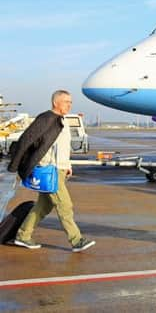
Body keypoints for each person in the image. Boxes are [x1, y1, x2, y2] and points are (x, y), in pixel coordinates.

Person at [8, 90, 96, 252]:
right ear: (56, 103)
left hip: (60, 170)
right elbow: (26, 139)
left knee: (43, 207)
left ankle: (23, 236)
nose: (69, 105)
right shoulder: (46, 118)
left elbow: (63, 148)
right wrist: (17, 165)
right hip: (48, 171)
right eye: (66, 102)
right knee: (65, 205)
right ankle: (76, 240)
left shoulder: (63, 121)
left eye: (70, 102)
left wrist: (68, 166)